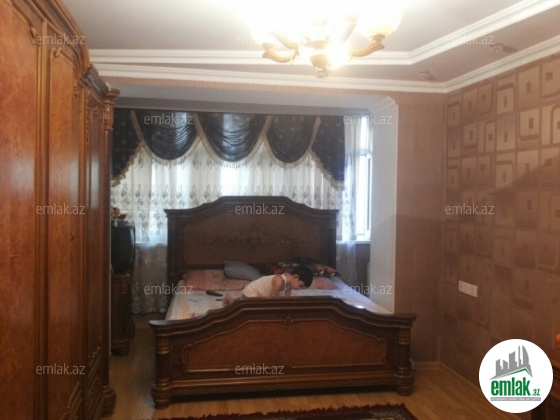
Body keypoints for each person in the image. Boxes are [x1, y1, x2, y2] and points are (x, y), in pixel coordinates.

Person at [223, 265, 313, 305]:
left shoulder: (290, 284)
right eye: (301, 286)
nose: (300, 289)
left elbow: (287, 300)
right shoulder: (279, 281)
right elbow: (271, 300)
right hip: (253, 291)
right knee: (250, 309)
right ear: (295, 277)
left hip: (261, 295)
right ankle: (231, 300)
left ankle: (234, 300)